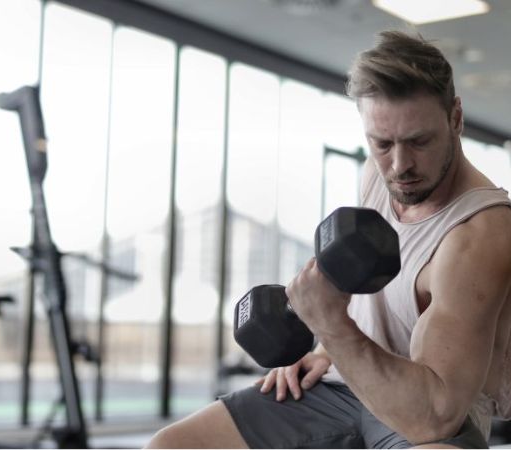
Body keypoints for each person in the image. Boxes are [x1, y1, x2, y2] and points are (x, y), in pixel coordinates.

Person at [146, 30, 511, 449]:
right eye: (382, 143)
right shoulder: (379, 176)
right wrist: (324, 351)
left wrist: (330, 327)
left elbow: (435, 415)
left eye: (419, 141)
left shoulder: (479, 234)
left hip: (420, 411)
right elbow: (371, 299)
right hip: (344, 384)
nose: (400, 164)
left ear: (456, 119)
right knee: (171, 445)